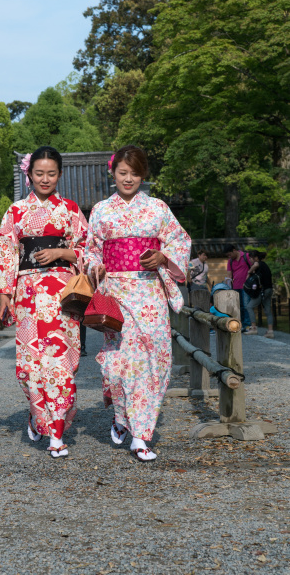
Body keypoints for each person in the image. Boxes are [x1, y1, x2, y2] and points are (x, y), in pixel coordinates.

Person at [84, 145, 191, 462]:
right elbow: (90, 251)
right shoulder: (102, 211)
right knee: (119, 363)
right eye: (122, 172)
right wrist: (95, 267)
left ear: (143, 175)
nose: (128, 179)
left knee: (153, 360)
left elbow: (179, 241)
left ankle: (141, 436)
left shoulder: (158, 208)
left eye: (134, 173)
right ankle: (121, 417)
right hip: (116, 293)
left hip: (149, 294)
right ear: (113, 173)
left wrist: (163, 256)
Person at [0, 146, 88, 458]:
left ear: (59, 175)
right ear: (28, 174)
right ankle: (37, 416)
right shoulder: (16, 212)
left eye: (52, 173)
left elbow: (89, 250)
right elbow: (5, 253)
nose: (45, 179)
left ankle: (56, 433)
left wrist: (60, 253)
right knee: (30, 366)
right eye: (39, 173)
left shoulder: (70, 210)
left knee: (63, 363)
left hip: (63, 295)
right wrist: (5, 296)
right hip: (27, 295)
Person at [245, 250, 274, 338]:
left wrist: (249, 272)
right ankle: (270, 331)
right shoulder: (265, 265)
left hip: (262, 290)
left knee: (249, 306)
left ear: (256, 258)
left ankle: (253, 328)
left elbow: (256, 265)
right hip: (269, 289)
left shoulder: (258, 264)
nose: (250, 260)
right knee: (268, 310)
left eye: (251, 258)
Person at [223, 244, 252, 331]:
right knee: (238, 307)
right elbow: (229, 274)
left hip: (246, 286)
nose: (229, 256)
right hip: (235, 286)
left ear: (234, 250)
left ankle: (248, 324)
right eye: (227, 255)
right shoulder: (230, 261)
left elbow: (253, 267)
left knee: (246, 305)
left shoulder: (246, 256)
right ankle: (241, 324)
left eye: (230, 254)